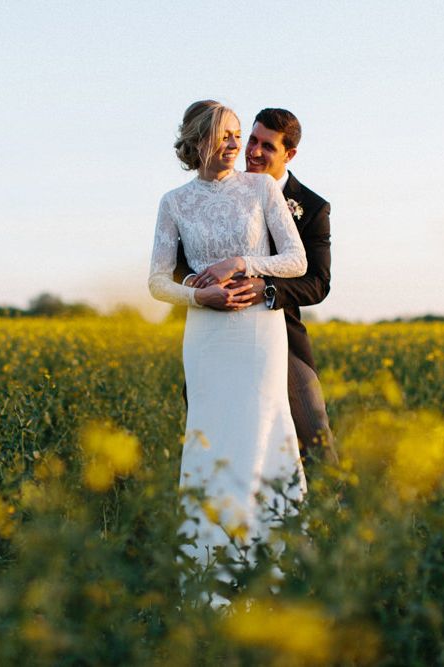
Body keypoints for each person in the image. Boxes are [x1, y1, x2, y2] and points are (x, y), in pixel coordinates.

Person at [148, 100, 307, 576]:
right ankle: (210, 566)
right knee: (210, 440)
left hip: (259, 330)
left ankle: (273, 565)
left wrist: (243, 263)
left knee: (262, 429)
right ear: (199, 141)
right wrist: (201, 298)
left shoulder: (260, 188)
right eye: (227, 134)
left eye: (240, 134)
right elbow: (157, 282)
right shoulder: (174, 202)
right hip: (206, 334)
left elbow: (296, 261)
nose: (238, 144)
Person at [175, 108, 336, 467]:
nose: (253, 152)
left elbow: (317, 284)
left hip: (277, 333)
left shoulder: (311, 207)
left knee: (313, 433)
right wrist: (195, 286)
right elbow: (180, 260)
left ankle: (330, 517)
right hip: (215, 332)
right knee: (214, 438)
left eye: (267, 146)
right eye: (252, 139)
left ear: (289, 154)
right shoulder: (219, 189)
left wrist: (264, 287)